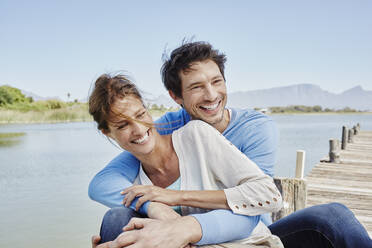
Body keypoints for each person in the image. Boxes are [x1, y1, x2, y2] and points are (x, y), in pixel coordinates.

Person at [90, 41, 372, 248]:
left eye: (216, 81)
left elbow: (255, 204)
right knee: (116, 219)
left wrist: (180, 211)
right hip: (184, 236)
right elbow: (102, 183)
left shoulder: (250, 129)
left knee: (334, 217)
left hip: (246, 229)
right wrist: (154, 205)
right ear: (176, 96)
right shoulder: (162, 128)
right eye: (197, 87)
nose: (211, 95)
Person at [88, 73, 284, 247]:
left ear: (147, 110)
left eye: (141, 115)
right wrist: (154, 208)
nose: (139, 129)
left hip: (243, 242)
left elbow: (270, 196)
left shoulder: (196, 135)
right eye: (122, 126)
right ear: (108, 133)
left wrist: (175, 200)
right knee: (115, 220)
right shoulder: (134, 184)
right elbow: (98, 186)